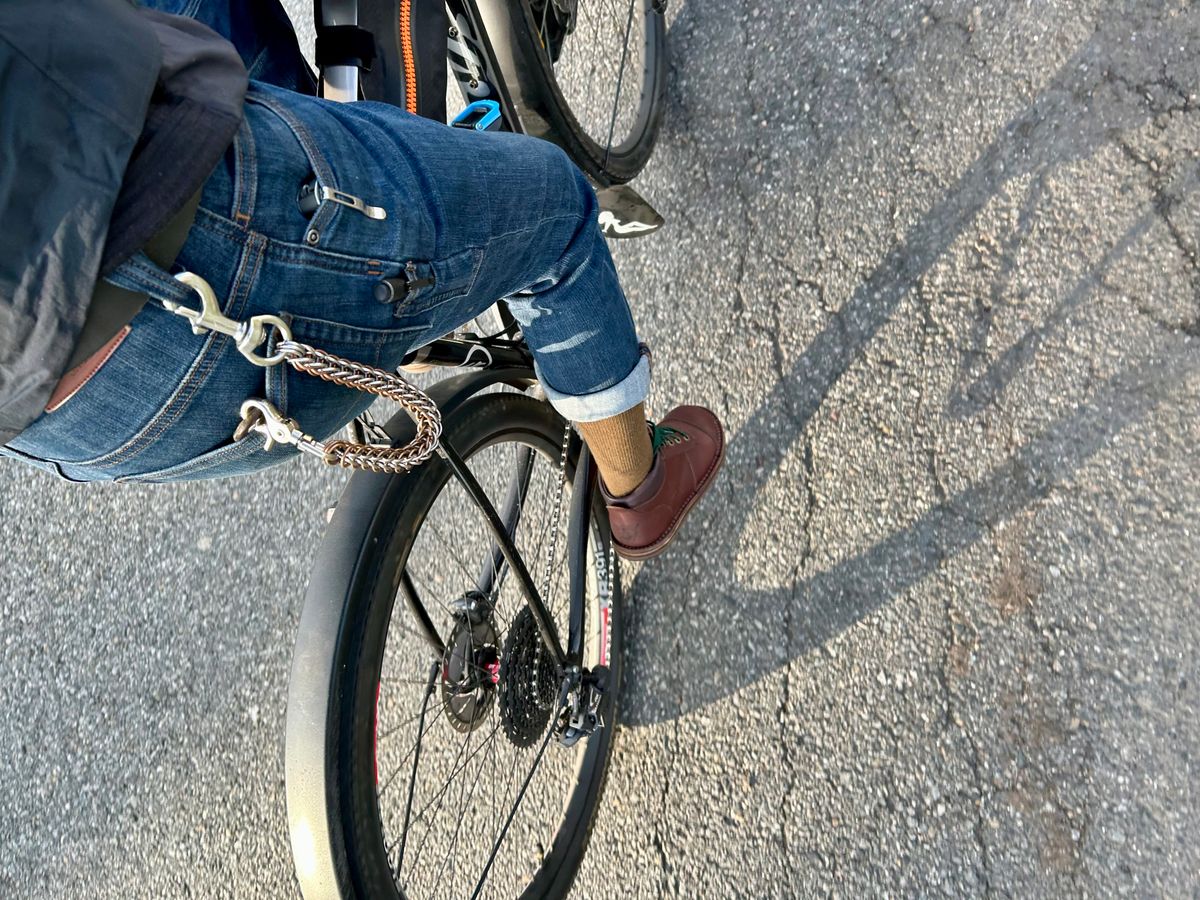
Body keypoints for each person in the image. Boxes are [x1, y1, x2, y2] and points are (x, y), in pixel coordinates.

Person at [0, 0, 723, 560]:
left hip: (63, 420)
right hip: (171, 262)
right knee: (558, 217)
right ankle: (640, 488)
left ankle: (380, 186)